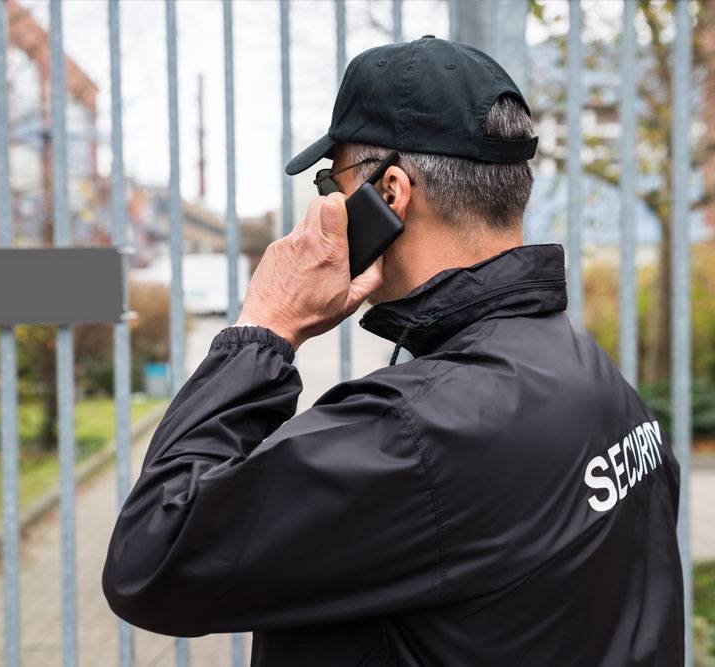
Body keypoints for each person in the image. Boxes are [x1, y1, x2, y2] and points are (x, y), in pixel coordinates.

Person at [102, 36, 684, 666]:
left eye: (332, 181)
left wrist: (265, 329)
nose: (329, 202)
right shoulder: (593, 375)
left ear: (392, 193)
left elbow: (153, 558)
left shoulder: (418, 431)